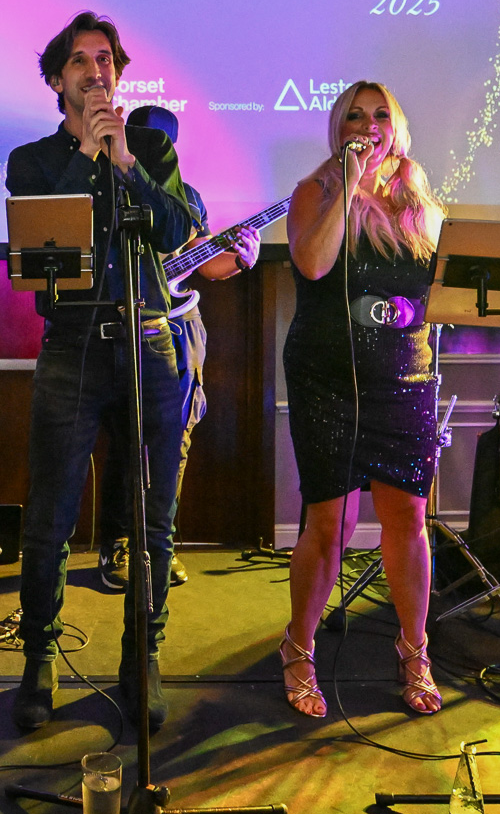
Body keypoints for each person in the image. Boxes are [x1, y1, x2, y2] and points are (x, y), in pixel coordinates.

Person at [6, 12, 197, 734]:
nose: (96, 71)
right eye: (81, 61)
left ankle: (141, 659)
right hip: (73, 348)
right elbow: (42, 238)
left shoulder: (149, 148)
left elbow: (177, 229)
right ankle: (39, 660)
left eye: (106, 59)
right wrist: (87, 155)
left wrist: (124, 164)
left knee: (154, 521)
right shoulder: (32, 160)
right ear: (57, 79)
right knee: (50, 517)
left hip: (151, 344)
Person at [280, 81, 445, 718]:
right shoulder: (316, 191)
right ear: (339, 127)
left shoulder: (419, 202)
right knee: (331, 523)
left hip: (404, 375)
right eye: (355, 115)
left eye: (380, 115)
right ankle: (298, 647)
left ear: (395, 126)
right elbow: (313, 265)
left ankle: (415, 649)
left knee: (408, 517)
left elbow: (442, 295)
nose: (368, 125)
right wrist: (348, 187)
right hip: (327, 375)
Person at [95, 106, 259, 593]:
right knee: (126, 440)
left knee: (173, 442)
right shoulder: (103, 185)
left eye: (161, 142)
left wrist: (240, 259)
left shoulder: (186, 197)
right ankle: (117, 544)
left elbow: (205, 264)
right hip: (124, 326)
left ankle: (157, 546)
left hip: (179, 329)